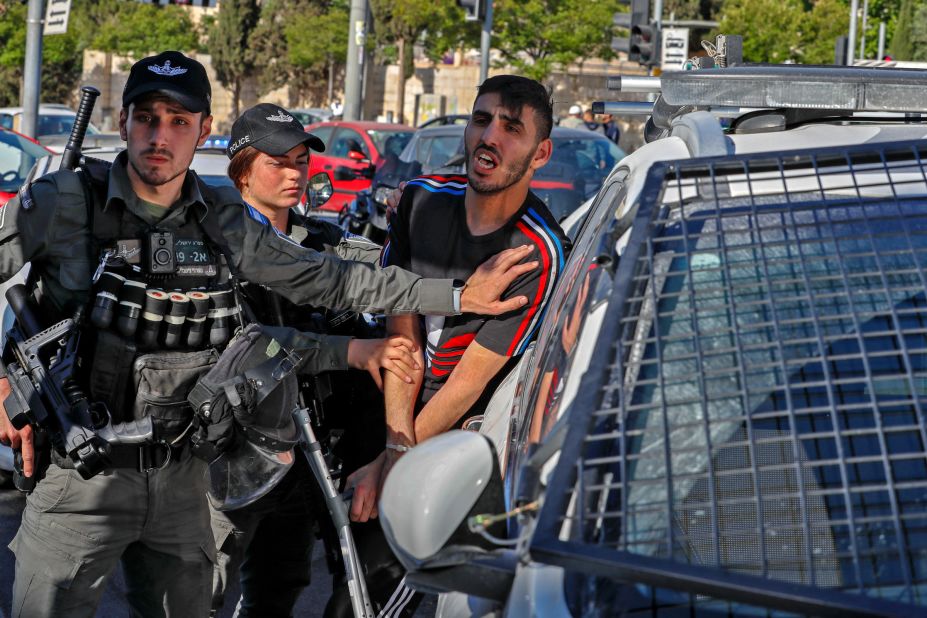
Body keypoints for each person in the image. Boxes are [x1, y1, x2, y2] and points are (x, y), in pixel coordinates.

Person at [0, 50, 535, 618]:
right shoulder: (65, 201)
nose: (160, 136)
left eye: (179, 122)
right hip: (81, 480)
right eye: (146, 117)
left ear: (203, 130)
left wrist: (454, 296)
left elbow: (333, 281)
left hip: (185, 481)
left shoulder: (224, 220)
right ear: (126, 120)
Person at [347, 74, 571, 616]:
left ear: (541, 153)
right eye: (481, 119)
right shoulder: (421, 200)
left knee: (386, 589)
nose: (489, 136)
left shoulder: (539, 250)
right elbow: (400, 332)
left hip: (458, 438)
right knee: (347, 576)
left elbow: (469, 382)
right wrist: (393, 445)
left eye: (511, 127)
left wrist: (393, 462)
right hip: (389, 405)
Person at [208, 103, 416, 617]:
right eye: (278, 161)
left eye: (301, 160)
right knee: (202, 586)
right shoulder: (214, 246)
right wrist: (350, 350)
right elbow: (248, 347)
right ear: (242, 169)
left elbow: (382, 270)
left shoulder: (319, 239)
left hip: (311, 448)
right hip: (237, 447)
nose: (295, 172)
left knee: (285, 583)